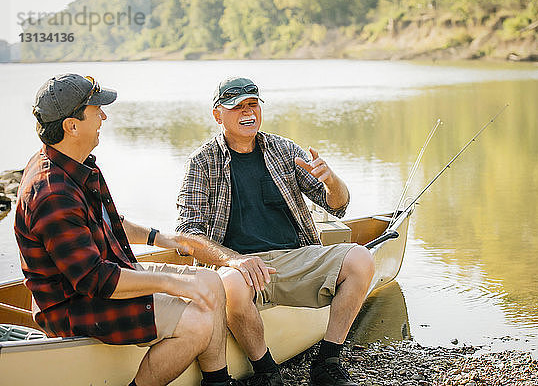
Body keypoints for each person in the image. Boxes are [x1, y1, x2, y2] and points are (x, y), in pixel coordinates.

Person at [14, 74, 244, 386]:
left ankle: (217, 380)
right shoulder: (52, 194)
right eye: (97, 110)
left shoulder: (75, 164)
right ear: (72, 126)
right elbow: (96, 280)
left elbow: (109, 222)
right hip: (72, 307)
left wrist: (161, 238)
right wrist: (171, 284)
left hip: (104, 281)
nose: (104, 116)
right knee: (198, 322)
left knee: (210, 281)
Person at [176, 77, 375, 386]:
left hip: (295, 257)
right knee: (230, 283)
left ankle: (327, 361)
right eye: (237, 107)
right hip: (241, 269)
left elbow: (337, 206)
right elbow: (187, 235)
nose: (247, 113)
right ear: (217, 115)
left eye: (252, 105)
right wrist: (234, 260)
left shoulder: (283, 149)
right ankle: (267, 372)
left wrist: (332, 179)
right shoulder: (202, 162)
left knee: (361, 259)